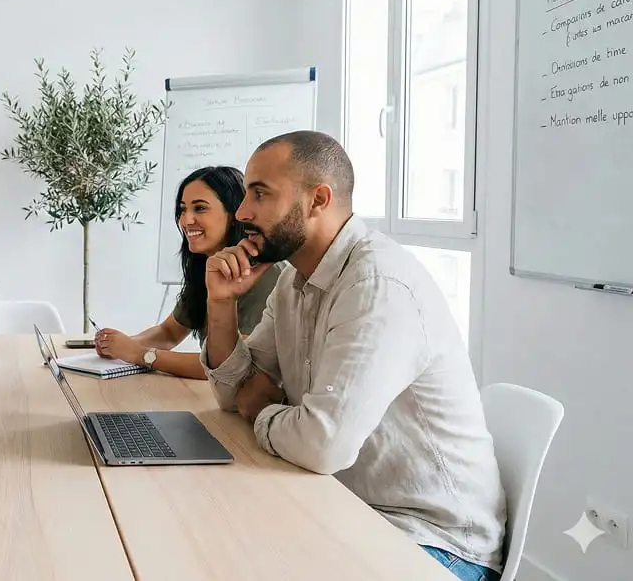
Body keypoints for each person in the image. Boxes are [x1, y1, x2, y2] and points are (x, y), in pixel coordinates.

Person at [200, 131, 506, 581]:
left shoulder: (376, 285)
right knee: (214, 541)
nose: (243, 212)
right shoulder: (292, 282)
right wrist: (221, 304)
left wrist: (262, 407)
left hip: (433, 542)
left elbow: (320, 444)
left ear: (318, 199)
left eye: (260, 194)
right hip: (344, 504)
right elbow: (233, 396)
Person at [92, 166, 282, 379]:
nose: (186, 220)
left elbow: (232, 367)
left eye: (200, 208)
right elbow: (169, 332)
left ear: (234, 214)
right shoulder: (207, 265)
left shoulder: (262, 273)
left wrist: (141, 354)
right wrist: (120, 344)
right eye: (182, 209)